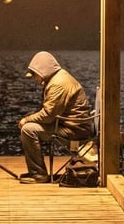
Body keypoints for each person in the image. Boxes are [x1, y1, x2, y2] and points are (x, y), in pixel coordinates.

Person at [17, 51, 93, 184]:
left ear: (44, 70)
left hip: (74, 131)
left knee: (28, 130)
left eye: (36, 74)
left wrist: (26, 119)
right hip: (72, 125)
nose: (35, 78)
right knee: (30, 128)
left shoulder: (58, 84)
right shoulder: (60, 77)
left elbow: (48, 115)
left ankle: (39, 174)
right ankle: (36, 171)